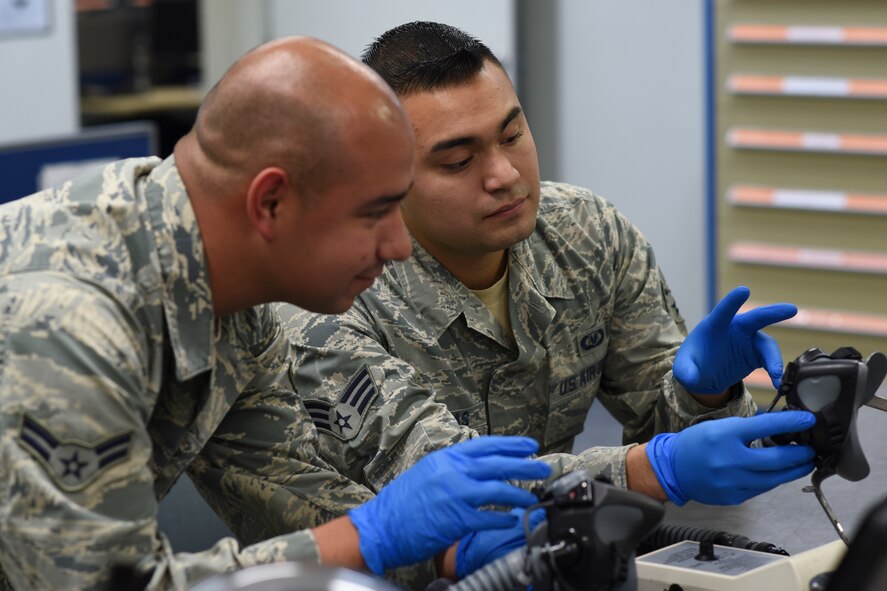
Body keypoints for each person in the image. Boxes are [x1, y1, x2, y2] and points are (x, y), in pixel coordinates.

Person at [0, 36, 553, 591]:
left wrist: (443, 553)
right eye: (374, 213)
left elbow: (294, 497)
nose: (398, 245)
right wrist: (374, 536)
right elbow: (103, 586)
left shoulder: (231, 299)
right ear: (270, 203)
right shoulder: (67, 321)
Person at [275, 21, 816, 520]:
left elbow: (682, 442)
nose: (505, 175)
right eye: (459, 162)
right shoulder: (334, 295)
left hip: (543, 551)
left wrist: (707, 396)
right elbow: (448, 483)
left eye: (512, 135)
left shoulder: (587, 234)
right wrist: (650, 468)